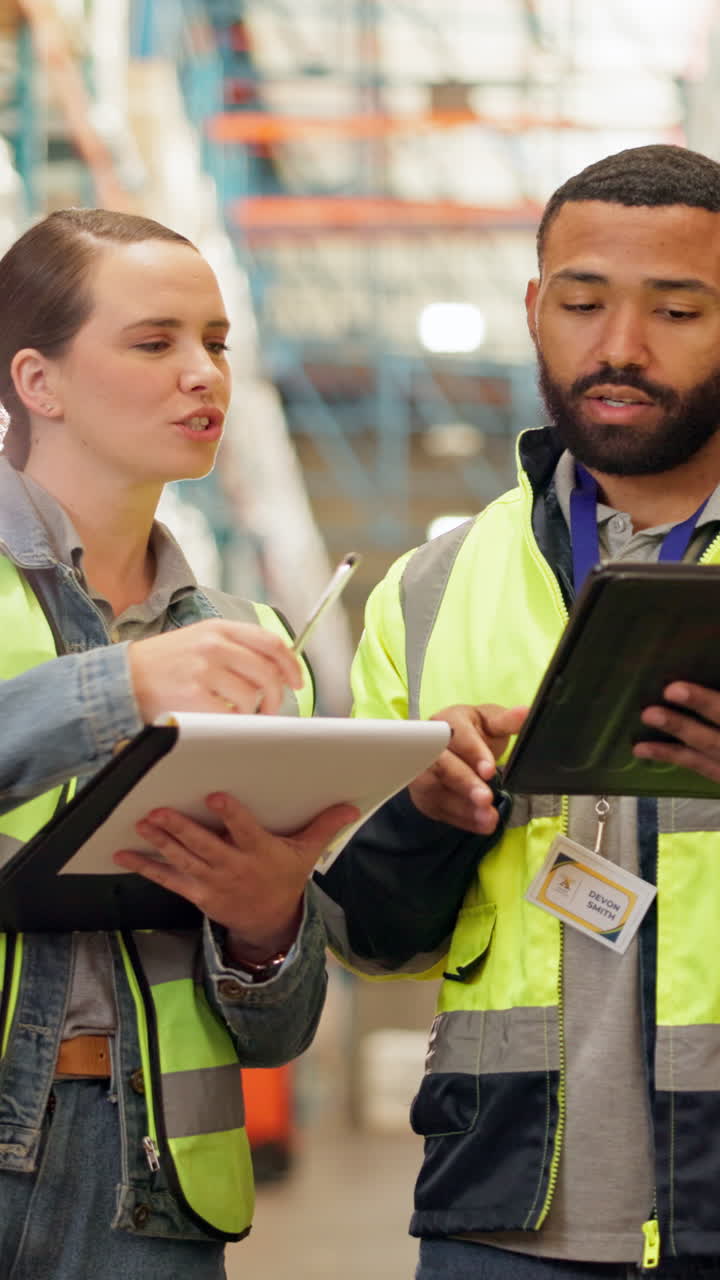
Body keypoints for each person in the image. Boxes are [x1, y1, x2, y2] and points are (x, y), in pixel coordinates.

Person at [314, 142, 720, 1278]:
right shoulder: (429, 589)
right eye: (583, 303)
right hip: (508, 1218)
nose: (621, 347)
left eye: (678, 309)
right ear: (535, 309)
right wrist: (427, 815)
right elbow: (364, 934)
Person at [0, 207, 355, 1280]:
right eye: (155, 342)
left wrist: (266, 926)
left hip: (147, 1185)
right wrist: (121, 684)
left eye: (216, 342)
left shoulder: (238, 639)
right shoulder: (176, 662)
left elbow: (278, 1030)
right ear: (38, 380)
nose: (203, 373)